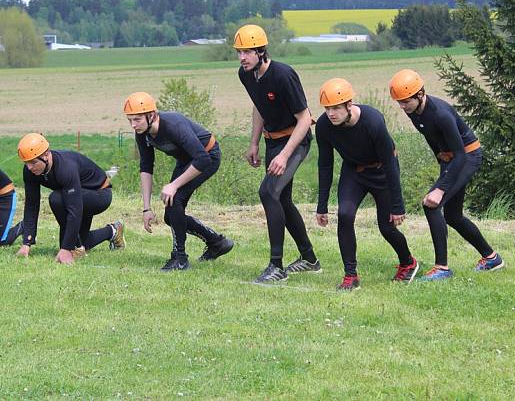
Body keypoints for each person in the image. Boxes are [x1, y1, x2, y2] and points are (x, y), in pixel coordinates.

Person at [389, 69, 504, 281]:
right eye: (399, 102)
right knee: (453, 216)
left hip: (467, 156)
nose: (402, 106)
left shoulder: (440, 113)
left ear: (420, 94)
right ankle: (492, 258)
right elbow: (430, 136)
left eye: (406, 101)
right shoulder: (414, 112)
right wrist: (439, 157)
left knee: (431, 204)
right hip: (451, 158)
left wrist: (441, 187)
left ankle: (442, 268)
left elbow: (461, 154)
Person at [234, 24, 322, 283]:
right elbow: (259, 106)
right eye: (239, 52)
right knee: (281, 199)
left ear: (261, 51)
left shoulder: (283, 75)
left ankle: (276, 267)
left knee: (268, 192)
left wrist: (284, 155)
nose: (242, 58)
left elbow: (305, 118)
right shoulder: (245, 75)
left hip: (296, 141)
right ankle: (309, 259)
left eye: (247, 52)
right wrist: (254, 143)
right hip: (272, 143)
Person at [315, 78, 419, 291]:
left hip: (382, 171)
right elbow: (325, 164)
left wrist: (398, 206)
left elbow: (390, 163)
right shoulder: (324, 126)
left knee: (387, 227)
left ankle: (408, 262)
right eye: (327, 108)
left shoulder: (372, 121)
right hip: (354, 172)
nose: (331, 113)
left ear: (349, 105)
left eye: (336, 108)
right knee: (344, 215)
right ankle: (350, 276)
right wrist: (322, 205)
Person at [123, 92, 234, 271]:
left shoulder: (173, 125)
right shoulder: (142, 133)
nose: (133, 125)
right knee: (170, 215)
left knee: (175, 200)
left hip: (207, 156)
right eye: (130, 120)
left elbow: (202, 159)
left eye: (137, 119)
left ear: (151, 115)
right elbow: (146, 167)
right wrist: (146, 208)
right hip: (187, 161)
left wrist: (174, 185)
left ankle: (180, 259)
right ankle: (217, 242)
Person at [15, 133, 124, 264]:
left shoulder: (65, 168)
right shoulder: (29, 171)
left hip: (99, 194)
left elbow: (74, 209)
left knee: (56, 199)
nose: (29, 167)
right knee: (81, 240)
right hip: (77, 195)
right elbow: (31, 205)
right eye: (26, 163)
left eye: (33, 162)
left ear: (46, 155)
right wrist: (27, 243)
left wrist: (66, 248)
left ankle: (73, 247)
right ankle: (113, 230)